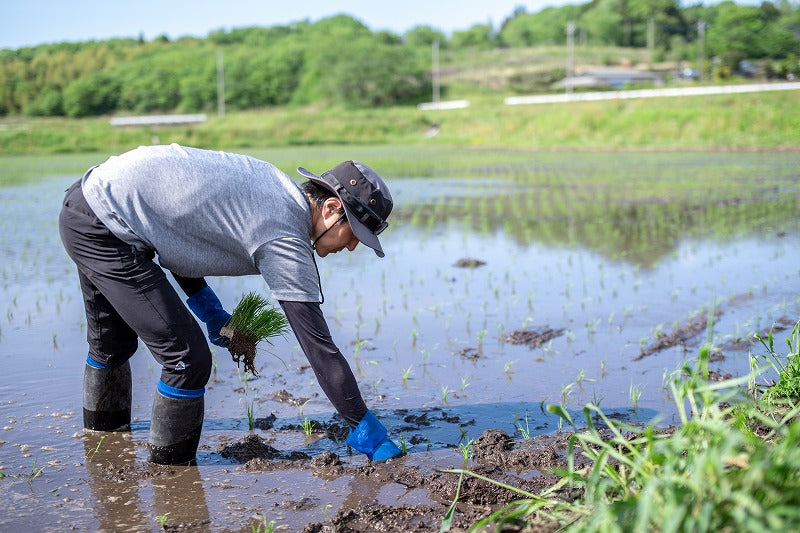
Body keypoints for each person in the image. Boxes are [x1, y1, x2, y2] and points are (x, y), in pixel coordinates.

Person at [58, 143, 403, 465]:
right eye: (355, 234)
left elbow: (175, 231)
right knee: (186, 359)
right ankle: (170, 478)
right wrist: (364, 427)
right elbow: (319, 348)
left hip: (89, 201)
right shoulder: (285, 236)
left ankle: (102, 453)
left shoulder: (273, 187)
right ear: (330, 208)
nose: (354, 246)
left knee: (112, 343)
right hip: (105, 227)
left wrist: (209, 310)